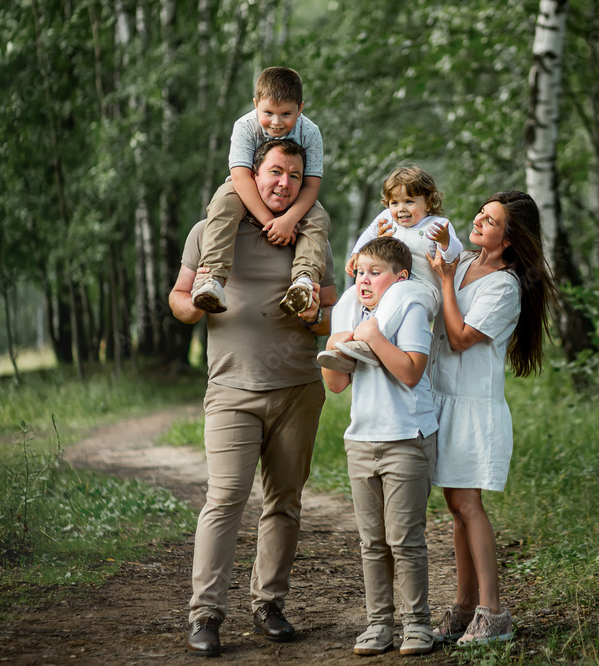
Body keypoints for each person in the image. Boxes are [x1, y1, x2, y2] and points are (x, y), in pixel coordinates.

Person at [169, 139, 337, 657]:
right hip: (231, 392)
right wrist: (194, 310)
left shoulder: (309, 237)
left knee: (284, 502)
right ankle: (206, 614)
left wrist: (314, 316)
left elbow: (335, 315)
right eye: (274, 172)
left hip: (297, 391)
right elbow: (178, 296)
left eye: (293, 175)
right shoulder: (211, 231)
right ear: (253, 174)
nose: (282, 183)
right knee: (224, 500)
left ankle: (268, 605)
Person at [426, 191, 555, 646]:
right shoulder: (462, 263)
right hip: (443, 399)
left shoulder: (504, 286)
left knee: (468, 507)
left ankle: (493, 612)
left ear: (510, 237)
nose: (478, 222)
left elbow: (460, 338)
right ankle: (464, 607)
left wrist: (444, 280)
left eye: (491, 220)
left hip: (473, 408)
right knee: (455, 510)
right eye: (480, 214)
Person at [320, 236, 439, 657]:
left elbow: (409, 371)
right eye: (361, 272)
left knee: (405, 539)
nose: (364, 280)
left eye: (376, 272)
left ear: (400, 277)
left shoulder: (408, 307)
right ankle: (378, 624)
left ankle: (418, 625)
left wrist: (372, 335)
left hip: (406, 438)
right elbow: (336, 385)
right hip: (361, 440)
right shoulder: (351, 308)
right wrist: (336, 346)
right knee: (372, 542)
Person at [191, 66, 329, 317]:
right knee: (223, 201)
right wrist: (270, 222)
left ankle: (303, 281)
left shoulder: (310, 132)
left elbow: (311, 185)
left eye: (286, 114)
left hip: (292, 194)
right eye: (268, 113)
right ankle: (212, 277)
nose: (276, 122)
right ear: (256, 105)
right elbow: (241, 178)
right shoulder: (245, 126)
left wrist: (289, 219)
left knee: (319, 217)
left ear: (300, 108)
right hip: (248, 190)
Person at [318, 166, 462, 372]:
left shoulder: (437, 225)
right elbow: (369, 234)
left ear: (428, 203)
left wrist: (445, 241)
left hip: (424, 290)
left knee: (398, 290)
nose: (401, 208)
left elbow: (454, 256)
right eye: (395, 202)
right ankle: (341, 346)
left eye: (409, 201)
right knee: (351, 295)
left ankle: (373, 340)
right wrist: (356, 254)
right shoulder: (387, 219)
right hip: (388, 286)